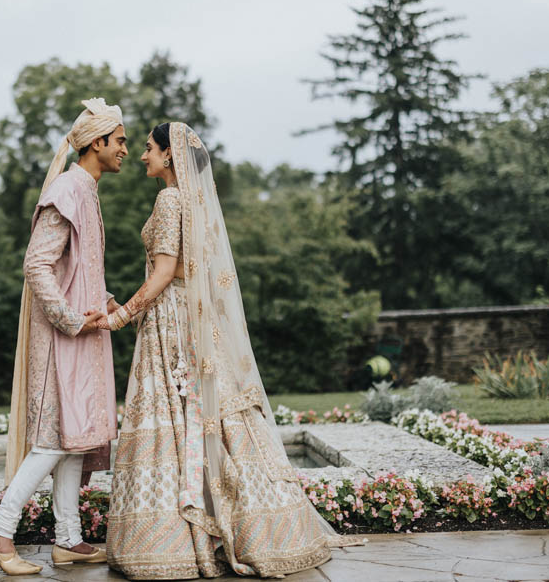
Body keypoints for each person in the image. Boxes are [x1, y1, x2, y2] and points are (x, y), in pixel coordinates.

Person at [101, 122, 363, 579]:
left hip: (171, 323)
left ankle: (171, 542)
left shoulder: (168, 199)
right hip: (192, 320)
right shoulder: (196, 204)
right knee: (210, 416)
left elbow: (164, 273)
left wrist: (120, 316)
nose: (142, 156)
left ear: (169, 155)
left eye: (148, 149)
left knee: (177, 419)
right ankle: (263, 525)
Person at [0, 98, 128, 575]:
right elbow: (36, 265)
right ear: (97, 142)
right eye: (120, 141)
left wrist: (103, 302)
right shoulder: (66, 188)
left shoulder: (87, 190)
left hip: (82, 337)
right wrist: (70, 319)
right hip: (61, 341)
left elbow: (78, 270)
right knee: (53, 440)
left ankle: (68, 539)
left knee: (73, 436)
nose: (124, 149)